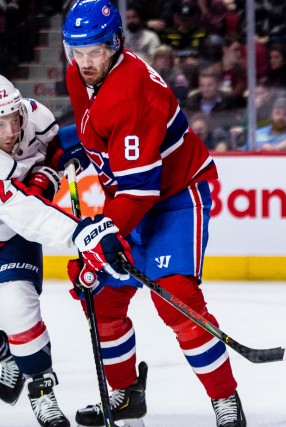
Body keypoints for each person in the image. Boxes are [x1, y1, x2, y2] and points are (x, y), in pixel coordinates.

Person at [62, 1, 246, 426]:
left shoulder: (133, 94)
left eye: (95, 51)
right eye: (78, 51)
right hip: (129, 198)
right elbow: (97, 127)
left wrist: (105, 230)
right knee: (100, 295)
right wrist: (78, 146)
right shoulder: (80, 74)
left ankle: (225, 400)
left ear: (116, 45)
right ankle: (126, 395)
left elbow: (141, 188)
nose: (86, 62)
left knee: (176, 298)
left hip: (175, 196)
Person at [0, 75, 133, 427]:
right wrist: (81, 234)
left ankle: (42, 392)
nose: (11, 131)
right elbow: (27, 209)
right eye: (0, 125)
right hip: (18, 217)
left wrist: (64, 158)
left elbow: (56, 146)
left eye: (12, 118)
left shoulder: (36, 117)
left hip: (10, 238)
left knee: (16, 307)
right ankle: (5, 353)